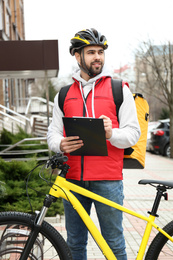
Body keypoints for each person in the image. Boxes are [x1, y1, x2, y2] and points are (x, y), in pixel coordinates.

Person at [47, 28, 141, 260]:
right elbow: (52, 134)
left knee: (114, 244)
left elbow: (133, 134)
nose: (97, 56)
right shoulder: (64, 94)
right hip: (73, 179)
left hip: (108, 181)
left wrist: (111, 134)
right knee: (75, 244)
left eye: (100, 52)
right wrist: (60, 144)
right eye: (91, 52)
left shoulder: (120, 90)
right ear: (77, 56)